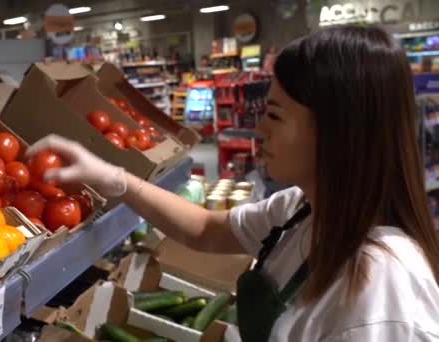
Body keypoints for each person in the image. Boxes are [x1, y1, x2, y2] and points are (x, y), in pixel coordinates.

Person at [26, 26, 439, 341]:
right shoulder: (301, 210)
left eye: (275, 116)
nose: (259, 129)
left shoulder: (384, 287)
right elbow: (206, 229)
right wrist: (114, 179)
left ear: (337, 133)